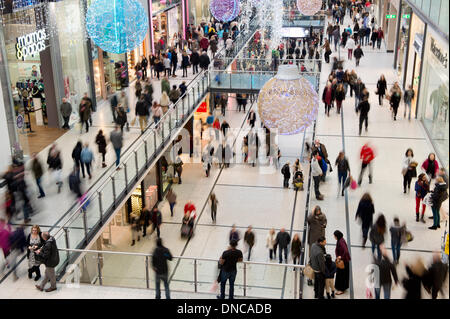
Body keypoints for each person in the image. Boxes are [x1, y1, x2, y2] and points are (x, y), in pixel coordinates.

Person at [334, 230, 350, 295]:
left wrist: (341, 257)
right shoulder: (340, 240)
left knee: (342, 275)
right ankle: (341, 287)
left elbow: (346, 251)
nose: (334, 237)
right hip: (343, 261)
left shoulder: (341, 242)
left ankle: (341, 289)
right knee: (341, 274)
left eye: (334, 236)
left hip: (343, 262)